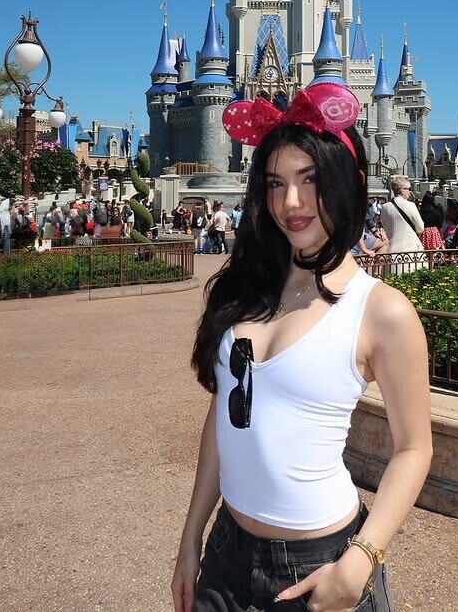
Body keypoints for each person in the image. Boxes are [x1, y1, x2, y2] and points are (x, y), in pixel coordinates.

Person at [171, 83, 432, 612]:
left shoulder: (381, 312)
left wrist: (361, 558)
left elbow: (414, 448)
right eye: (275, 183)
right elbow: (224, 416)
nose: (290, 203)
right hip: (225, 556)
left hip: (318, 565)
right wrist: (191, 536)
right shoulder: (248, 288)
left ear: (347, 185)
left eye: (309, 180)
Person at [379, 176, 424, 254]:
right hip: (411, 251)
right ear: (402, 190)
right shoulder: (411, 205)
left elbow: (384, 224)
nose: (410, 192)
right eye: (409, 189)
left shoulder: (385, 207)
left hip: (391, 251)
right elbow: (420, 228)